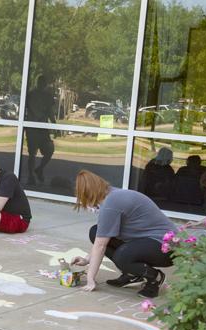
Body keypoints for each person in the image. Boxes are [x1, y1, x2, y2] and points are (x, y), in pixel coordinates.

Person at [70, 170, 176, 298]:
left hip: (165, 247)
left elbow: (101, 245)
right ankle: (132, 274)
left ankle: (155, 278)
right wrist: (87, 259)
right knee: (95, 231)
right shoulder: (111, 195)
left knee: (122, 256)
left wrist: (90, 279)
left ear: (88, 193)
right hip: (149, 241)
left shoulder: (111, 204)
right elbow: (102, 236)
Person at [25, 74, 56, 185]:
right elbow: (27, 110)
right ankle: (30, 176)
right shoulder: (30, 95)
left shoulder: (48, 96)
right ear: (37, 83)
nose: (42, 84)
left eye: (44, 82)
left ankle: (39, 169)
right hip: (32, 129)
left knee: (49, 149)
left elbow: (50, 112)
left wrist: (55, 125)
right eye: (40, 82)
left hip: (43, 129)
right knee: (32, 154)